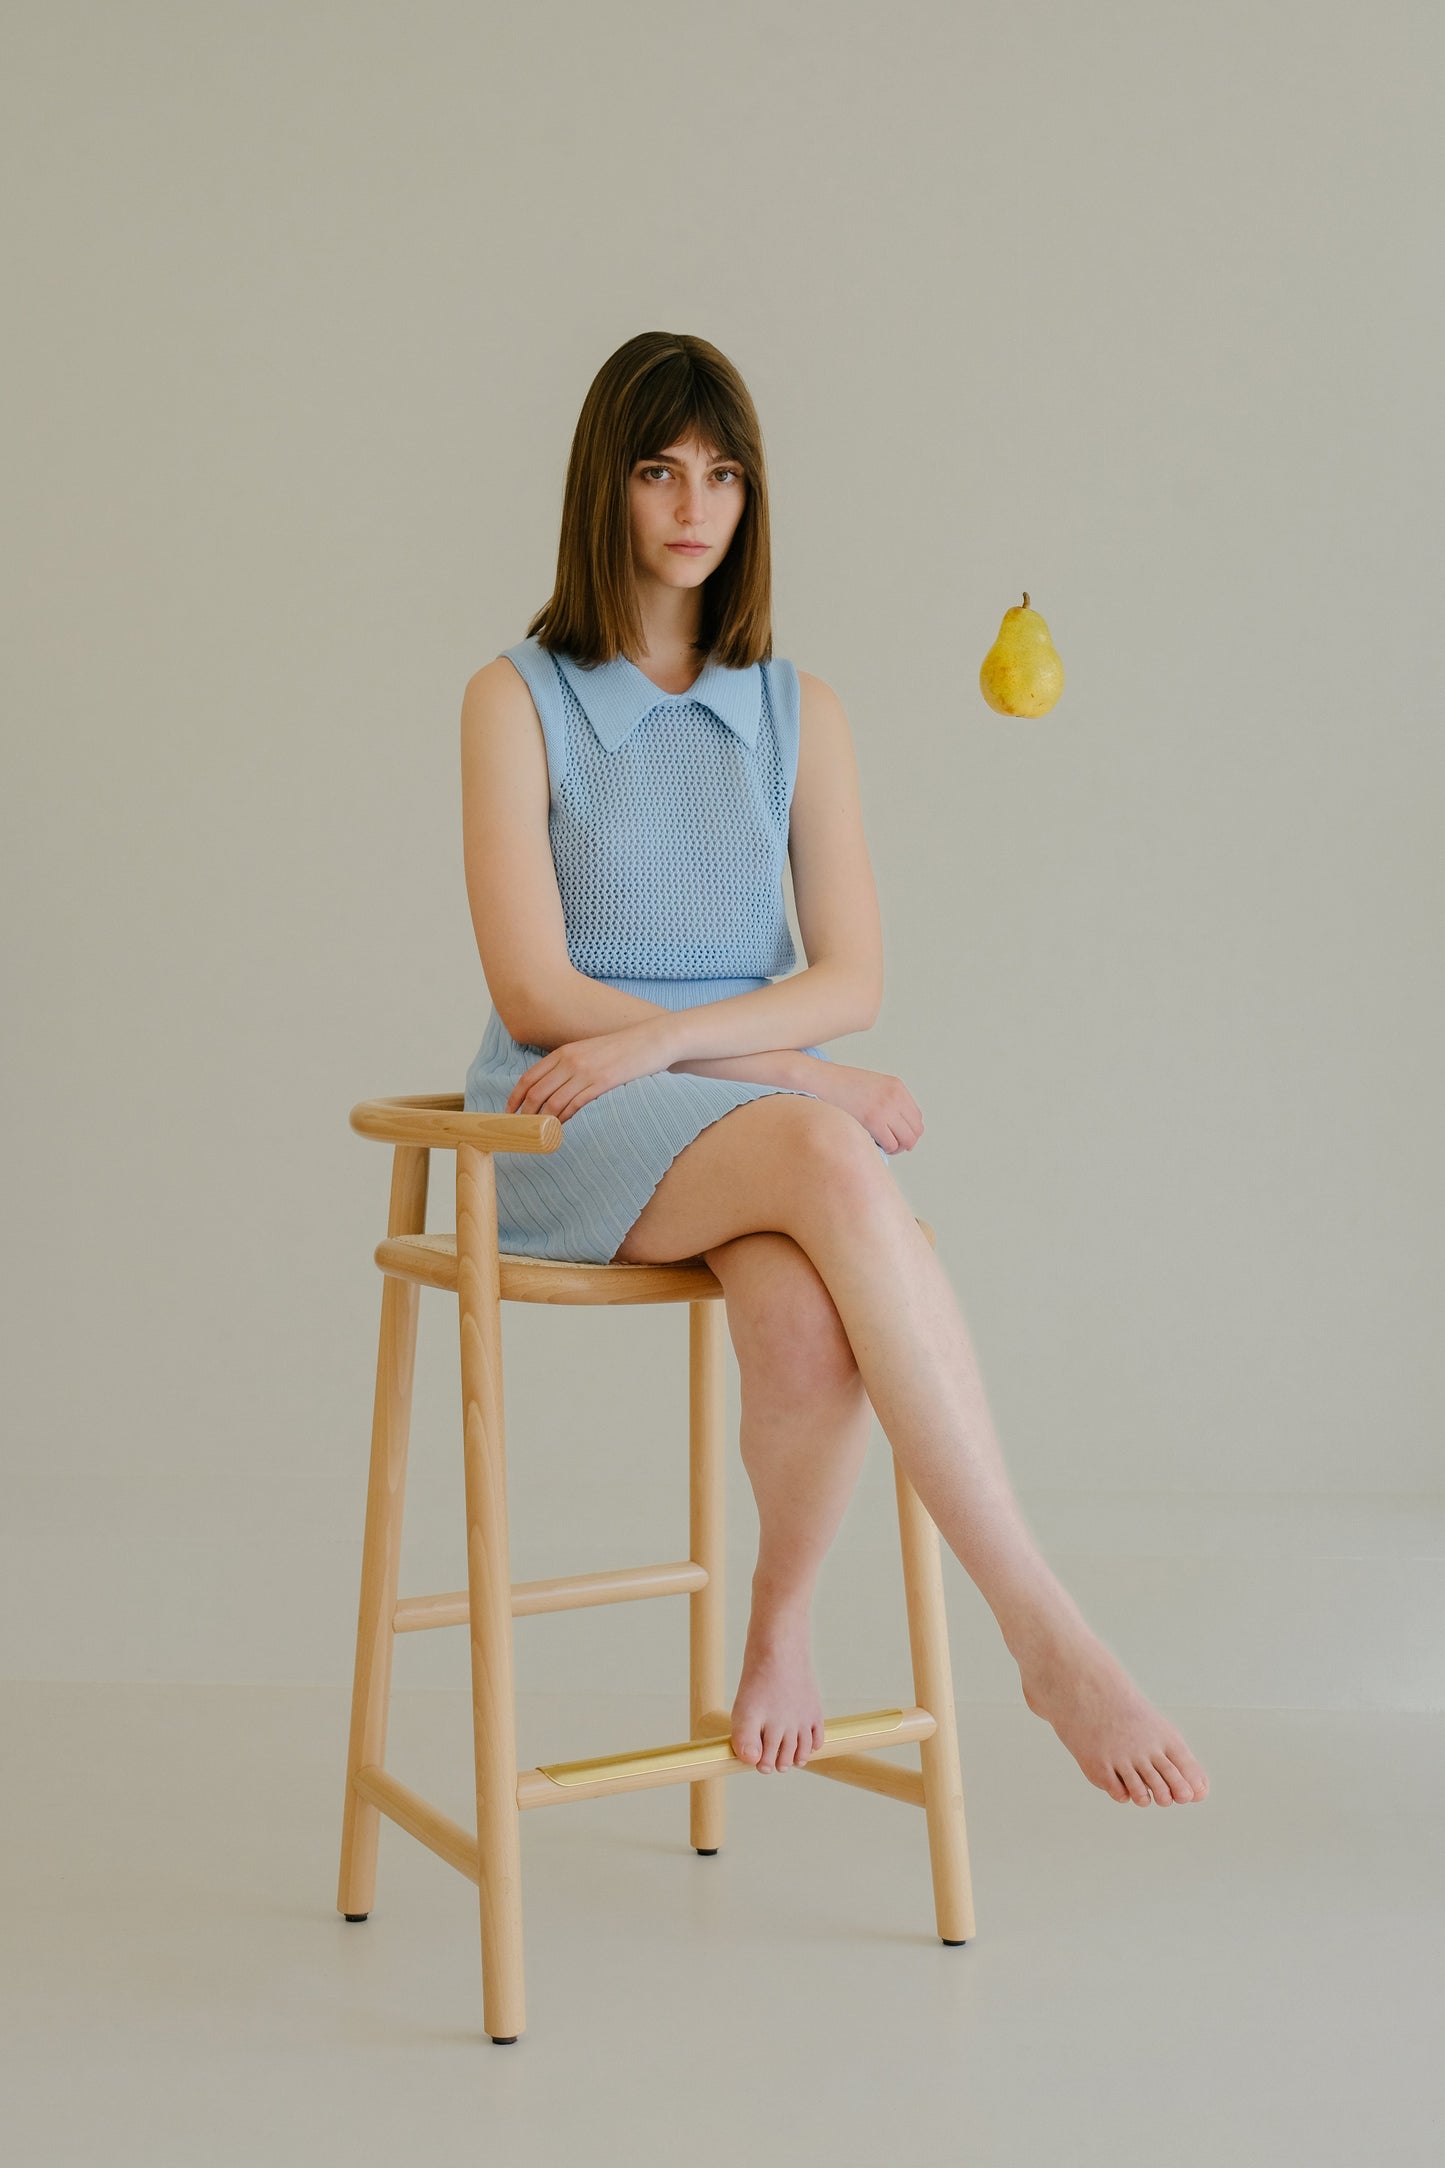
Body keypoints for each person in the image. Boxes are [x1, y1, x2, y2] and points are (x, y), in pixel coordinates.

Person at [460, 330, 1209, 1811]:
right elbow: (536, 994)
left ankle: (782, 1625)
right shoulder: (514, 696)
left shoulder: (800, 711)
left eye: (723, 474)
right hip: (566, 1118)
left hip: (726, 1100)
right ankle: (1042, 1632)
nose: (694, 505)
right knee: (828, 1158)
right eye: (660, 470)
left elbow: (851, 979)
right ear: (601, 489)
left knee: (803, 1313)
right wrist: (801, 1084)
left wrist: (732, 1051)